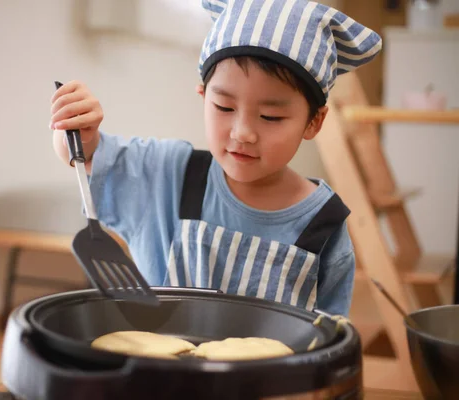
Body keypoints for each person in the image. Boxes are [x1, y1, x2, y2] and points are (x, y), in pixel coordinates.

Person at [49, 0, 382, 317]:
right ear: (203, 96)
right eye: (224, 108)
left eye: (270, 117)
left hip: (271, 378)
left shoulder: (323, 223)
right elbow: (88, 158)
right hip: (163, 374)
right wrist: (79, 130)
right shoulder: (168, 175)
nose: (243, 133)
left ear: (314, 121)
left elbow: (328, 334)